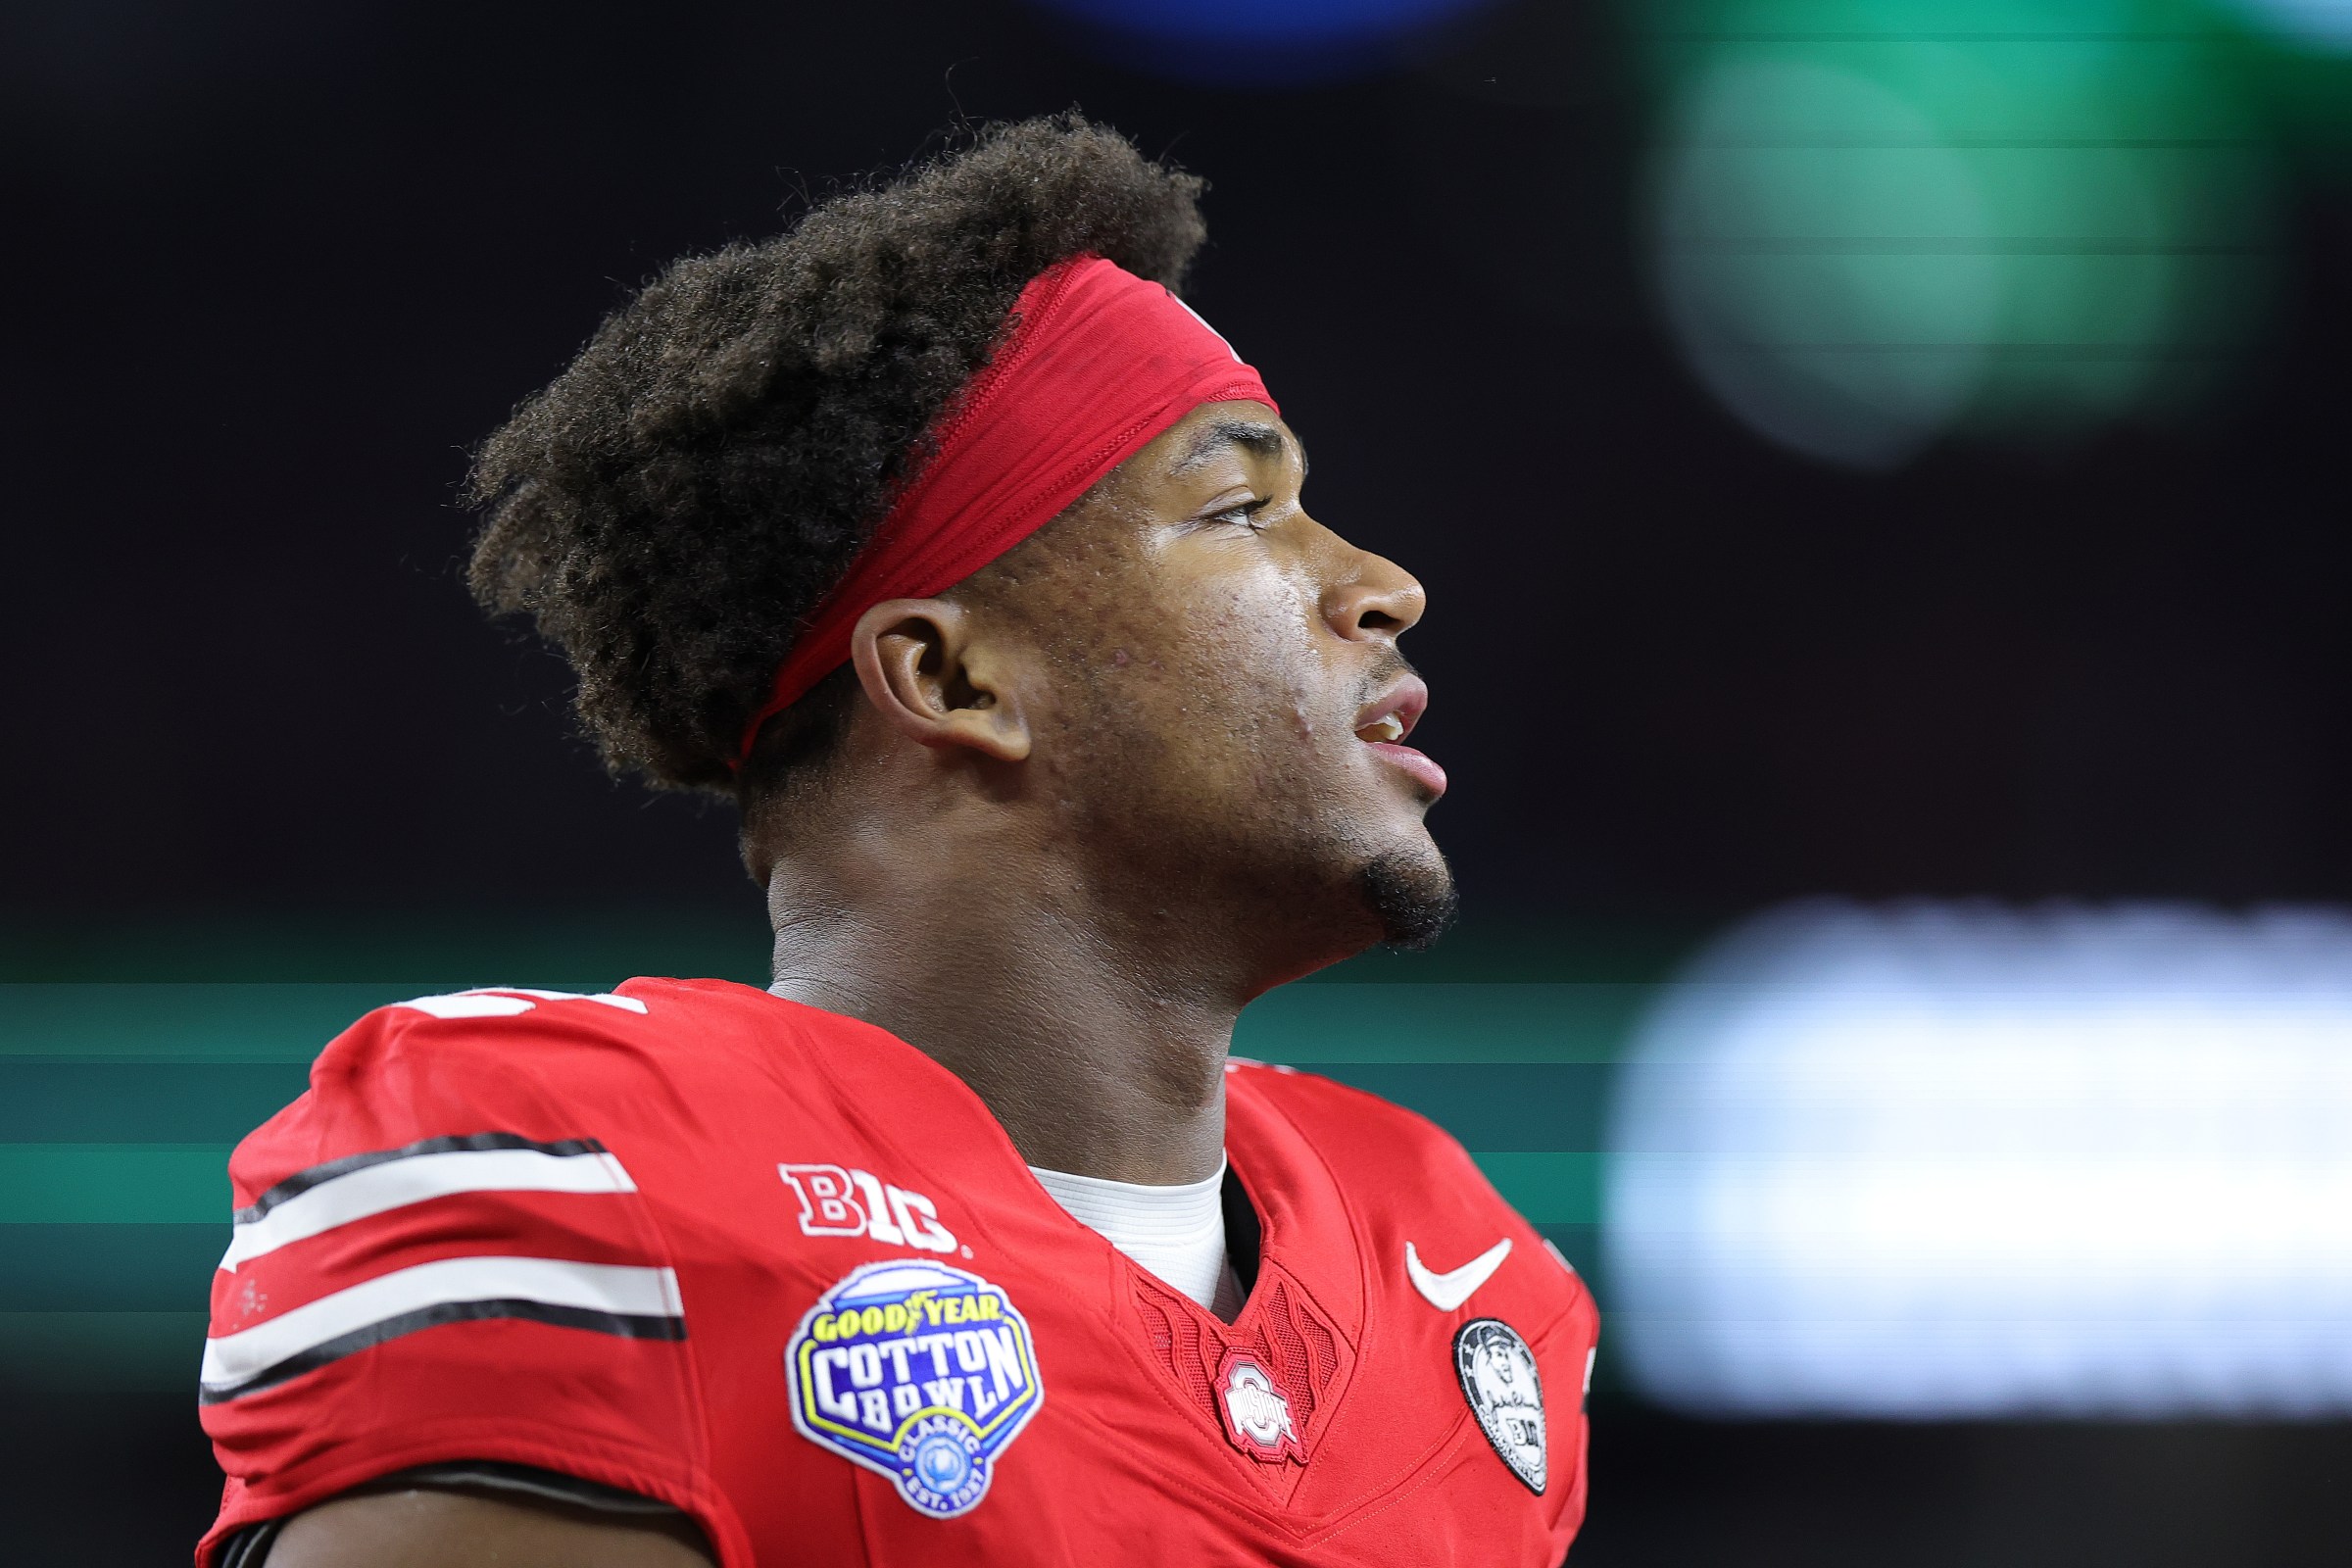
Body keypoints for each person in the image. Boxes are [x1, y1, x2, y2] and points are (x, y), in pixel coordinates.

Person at [196, 115, 1598, 1568]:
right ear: (951, 679)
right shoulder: (600, 1192)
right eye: (1242, 509)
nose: (1383, 585)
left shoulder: (1457, 1265)